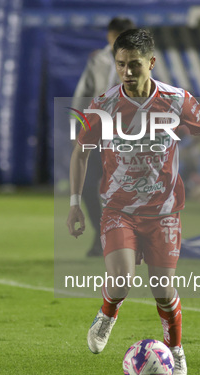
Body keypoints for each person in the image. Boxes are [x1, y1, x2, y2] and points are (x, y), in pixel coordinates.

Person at [66, 29, 200, 375]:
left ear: (151, 62)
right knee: (122, 279)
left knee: (162, 289)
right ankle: (107, 315)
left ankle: (175, 350)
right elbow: (81, 152)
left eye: (135, 65)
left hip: (164, 212)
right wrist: (75, 202)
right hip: (118, 210)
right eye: (121, 64)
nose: (127, 72)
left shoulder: (176, 99)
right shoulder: (103, 104)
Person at [72, 17, 136, 257]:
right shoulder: (98, 60)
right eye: (116, 34)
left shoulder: (141, 61)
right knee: (88, 185)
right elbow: (82, 95)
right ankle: (103, 236)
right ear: (110, 36)